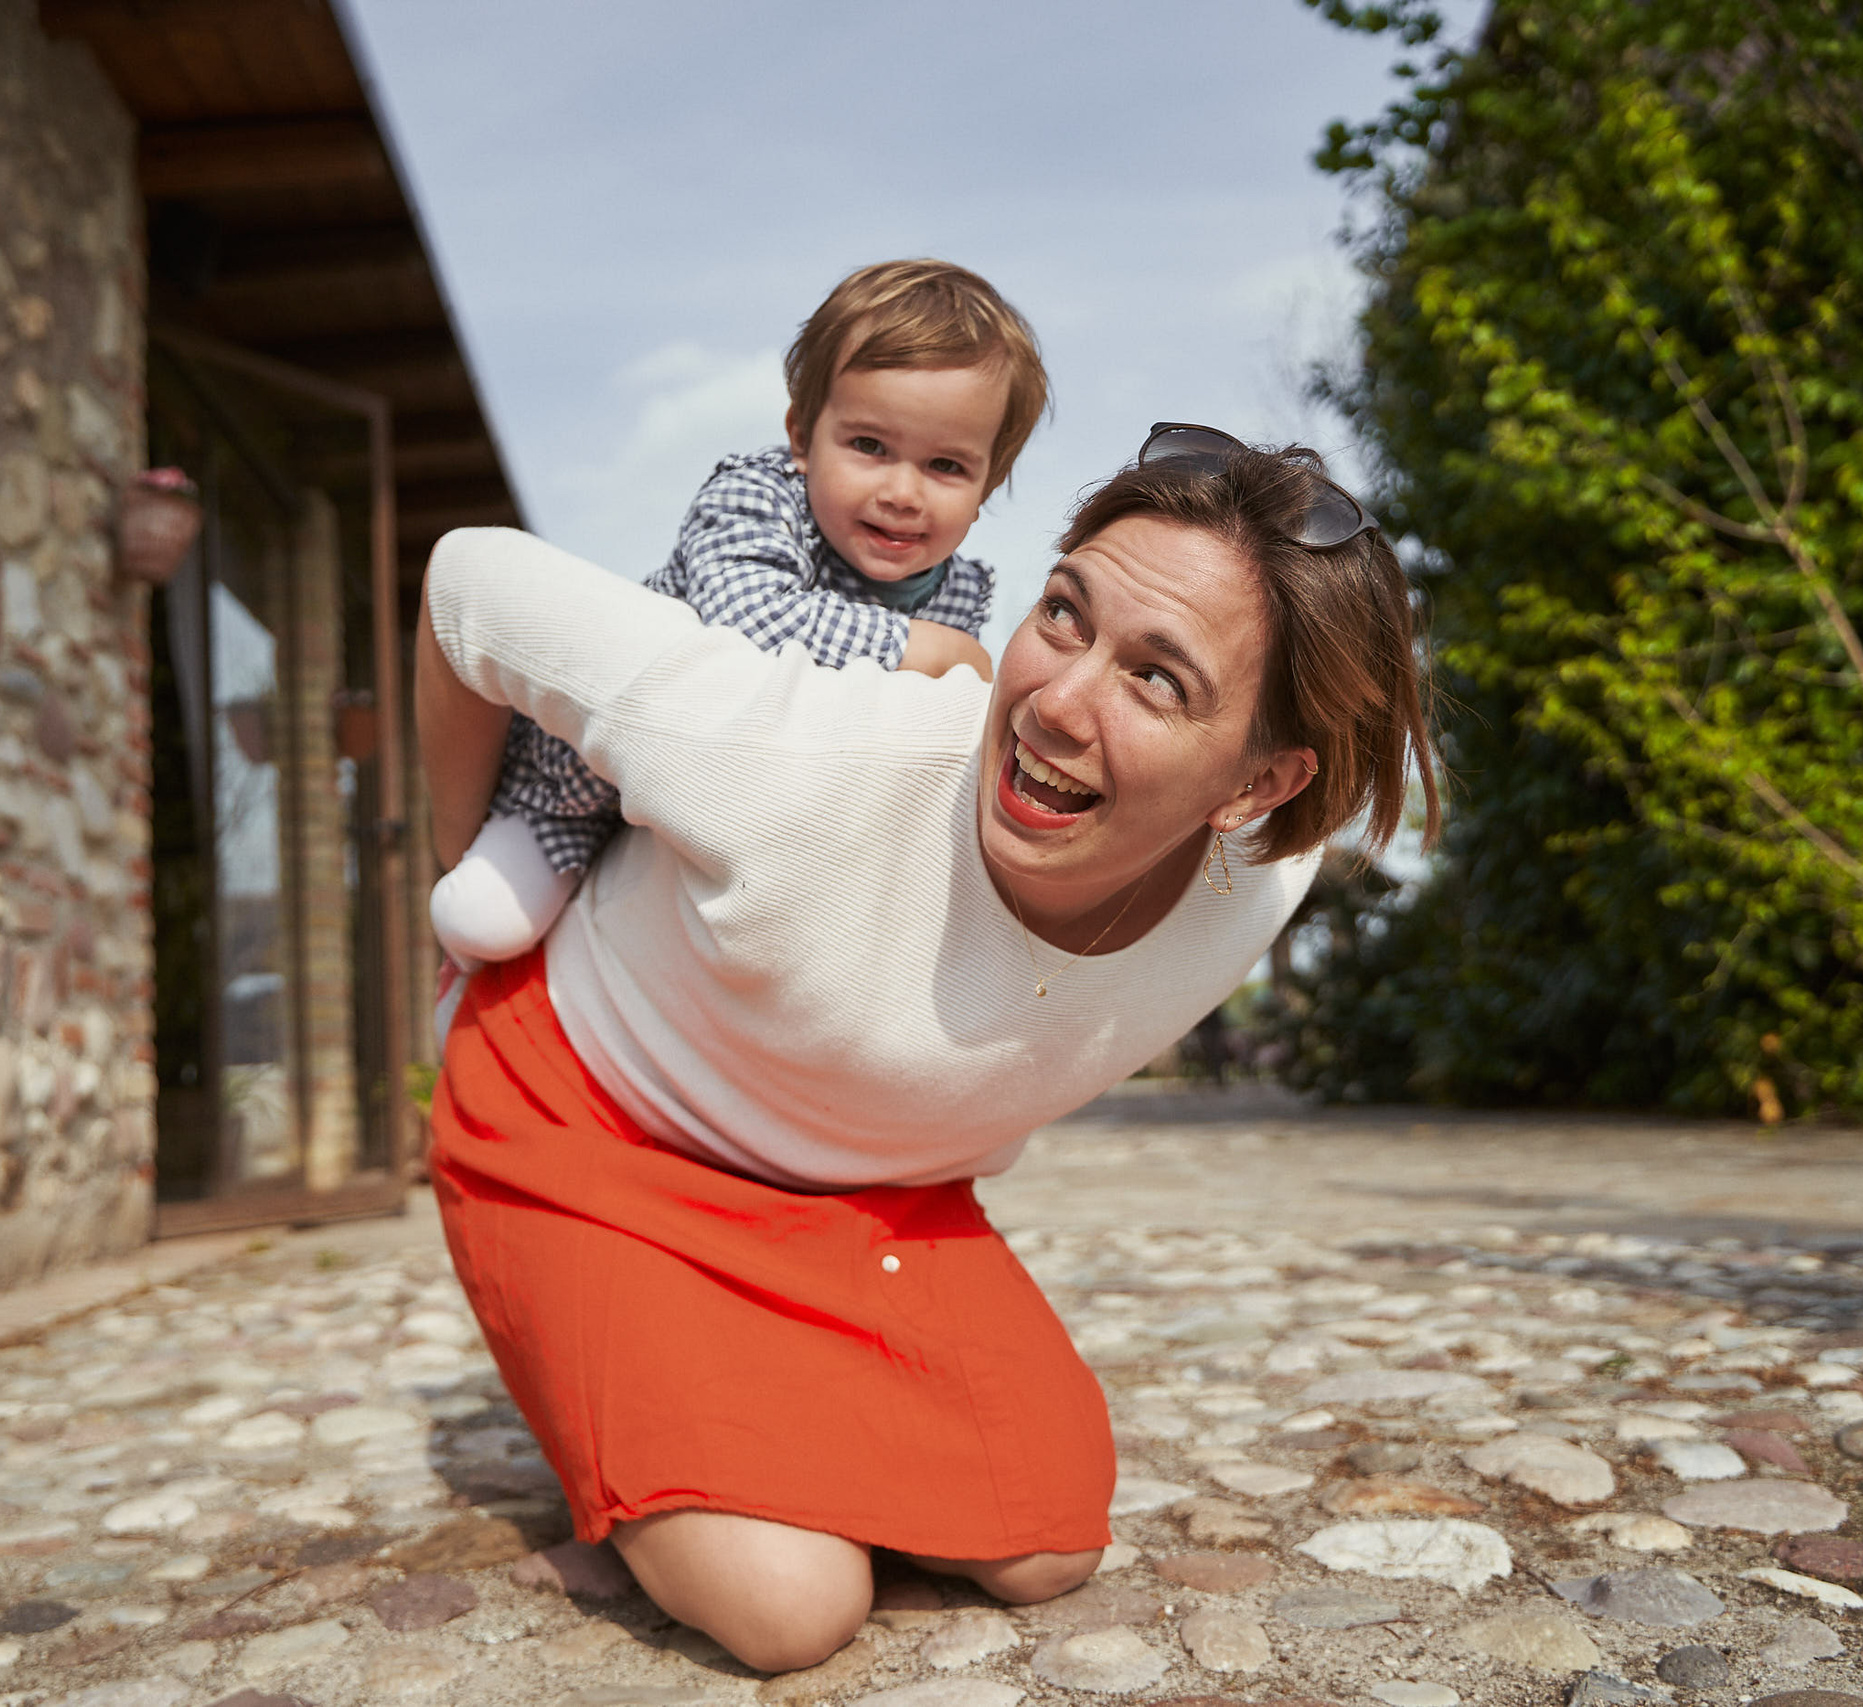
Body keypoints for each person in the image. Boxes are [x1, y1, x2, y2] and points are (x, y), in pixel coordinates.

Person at [413, 423, 1439, 1673]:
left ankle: (706, 1429)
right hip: (584, 1120)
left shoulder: (1255, 884)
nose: (1058, 702)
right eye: (1063, 615)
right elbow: (469, 579)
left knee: (1046, 1536)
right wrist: (463, 872)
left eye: (1157, 680)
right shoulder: (804, 757)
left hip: (866, 1194)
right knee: (792, 1609)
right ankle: (647, 1443)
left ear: (1258, 788)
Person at [426, 259, 1048, 984]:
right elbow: (743, 621)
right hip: (585, 780)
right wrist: (926, 649)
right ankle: (464, 988)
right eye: (869, 446)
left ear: (986, 487)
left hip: (744, 809)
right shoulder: (756, 499)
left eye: (945, 465)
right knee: (483, 918)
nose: (902, 491)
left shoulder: (958, 592)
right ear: (802, 435)